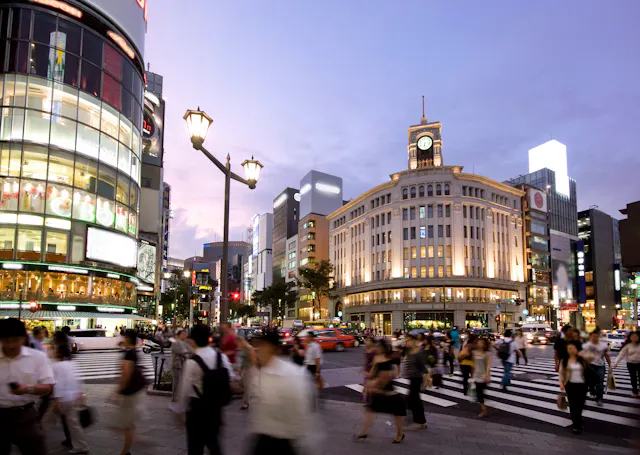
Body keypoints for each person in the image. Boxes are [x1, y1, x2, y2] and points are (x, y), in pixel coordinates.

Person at [172, 324, 235, 455]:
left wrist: (178, 410)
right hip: (215, 409)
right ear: (209, 338)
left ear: (193, 340)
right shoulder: (221, 357)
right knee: (214, 443)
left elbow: (184, 389)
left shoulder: (192, 362)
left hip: (197, 409)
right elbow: (231, 377)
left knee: (195, 447)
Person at [248, 329, 313, 455]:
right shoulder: (261, 372)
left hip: (283, 441)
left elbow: (300, 411)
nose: (258, 350)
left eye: (261, 346)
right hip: (262, 438)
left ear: (272, 349)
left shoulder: (291, 374)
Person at [0, 318, 55, 455]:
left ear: (23, 339)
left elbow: (48, 387)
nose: (11, 345)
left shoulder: (38, 357)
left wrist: (28, 389)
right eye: (6, 341)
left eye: (15, 340)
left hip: (25, 416)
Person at [43, 331, 90, 454]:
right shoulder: (71, 364)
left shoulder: (56, 366)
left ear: (58, 352)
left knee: (46, 422)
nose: (52, 351)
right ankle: (82, 446)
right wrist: (80, 394)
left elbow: (57, 383)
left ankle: (36, 443)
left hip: (62, 399)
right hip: (73, 397)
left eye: (54, 350)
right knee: (73, 424)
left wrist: (56, 400)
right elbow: (78, 379)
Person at [356, 339, 406, 443]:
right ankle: (363, 432)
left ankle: (400, 434)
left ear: (383, 348)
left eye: (378, 347)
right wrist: (366, 375)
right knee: (371, 410)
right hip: (378, 390)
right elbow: (372, 372)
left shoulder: (388, 359)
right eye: (376, 346)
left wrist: (376, 384)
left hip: (387, 391)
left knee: (397, 413)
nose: (376, 348)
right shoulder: (376, 358)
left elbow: (388, 376)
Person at [110, 330, 146, 455]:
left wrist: (118, 391)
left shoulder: (129, 354)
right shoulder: (132, 351)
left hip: (128, 392)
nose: (122, 339)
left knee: (126, 424)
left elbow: (126, 373)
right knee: (127, 423)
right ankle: (132, 444)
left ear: (128, 339)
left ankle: (125, 452)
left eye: (124, 337)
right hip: (131, 391)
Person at [559, 341, 588, 434]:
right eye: (569, 348)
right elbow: (561, 372)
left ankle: (578, 420)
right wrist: (561, 383)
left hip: (582, 384)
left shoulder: (582, 359)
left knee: (580, 404)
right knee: (573, 404)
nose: (571, 350)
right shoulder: (565, 360)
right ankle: (576, 424)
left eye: (573, 348)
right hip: (570, 384)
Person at [401, 335, 428, 429]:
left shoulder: (418, 352)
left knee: (413, 400)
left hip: (417, 379)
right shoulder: (409, 351)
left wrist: (428, 379)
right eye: (406, 340)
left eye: (408, 340)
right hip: (412, 378)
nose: (406, 342)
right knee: (414, 400)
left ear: (413, 341)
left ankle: (419, 421)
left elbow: (423, 368)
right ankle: (419, 421)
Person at [582, 330, 611, 406]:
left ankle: (599, 399)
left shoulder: (603, 345)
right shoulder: (586, 346)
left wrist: (610, 365)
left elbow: (607, 356)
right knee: (589, 382)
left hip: (600, 365)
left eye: (596, 336)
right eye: (593, 336)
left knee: (599, 383)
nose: (594, 338)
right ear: (590, 337)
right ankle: (591, 392)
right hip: (589, 365)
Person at [613, 331, 640, 397]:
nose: (634, 338)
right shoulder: (627, 345)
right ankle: (635, 391)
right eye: (632, 336)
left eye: (636, 336)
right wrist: (616, 362)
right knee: (633, 378)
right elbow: (621, 354)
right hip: (630, 364)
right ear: (629, 338)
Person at [472, 338, 491, 418]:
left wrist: (487, 376)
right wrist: (472, 374)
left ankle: (484, 409)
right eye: (479, 343)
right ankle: (484, 408)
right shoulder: (474, 352)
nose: (480, 345)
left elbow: (488, 366)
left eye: (482, 343)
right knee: (479, 393)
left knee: (480, 393)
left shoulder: (487, 354)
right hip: (476, 375)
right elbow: (473, 364)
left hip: (483, 375)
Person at [171, 329, 190, 402]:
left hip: (183, 363)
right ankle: (174, 396)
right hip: (177, 364)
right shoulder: (175, 342)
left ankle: (180, 396)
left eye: (185, 334)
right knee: (176, 381)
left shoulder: (185, 343)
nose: (184, 335)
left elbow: (188, 350)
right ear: (179, 335)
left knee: (182, 381)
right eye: (183, 334)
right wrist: (186, 353)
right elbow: (179, 352)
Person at [238, 337, 256, 410]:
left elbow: (253, 359)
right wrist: (241, 369)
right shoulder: (244, 348)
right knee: (244, 384)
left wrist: (253, 369)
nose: (238, 345)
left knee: (247, 386)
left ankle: (246, 402)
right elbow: (243, 360)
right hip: (245, 368)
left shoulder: (249, 348)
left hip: (249, 368)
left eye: (238, 343)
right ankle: (246, 399)